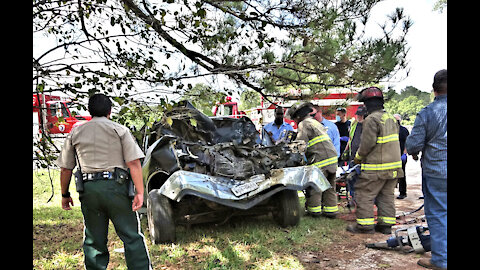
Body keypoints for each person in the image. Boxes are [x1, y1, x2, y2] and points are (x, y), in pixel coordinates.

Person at [56, 93, 152, 270]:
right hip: (117, 187)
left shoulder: (75, 132)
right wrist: (140, 192)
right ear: (110, 111)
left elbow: (65, 168)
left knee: (94, 240)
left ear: (89, 111)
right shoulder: (119, 130)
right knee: (131, 236)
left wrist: (64, 194)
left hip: (89, 189)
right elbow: (133, 162)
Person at [347, 87, 403, 234]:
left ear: (368, 104)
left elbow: (367, 145)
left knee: (364, 193)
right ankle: (385, 225)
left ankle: (365, 226)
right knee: (386, 195)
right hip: (394, 168)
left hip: (377, 167)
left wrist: (357, 159)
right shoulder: (390, 118)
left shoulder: (371, 119)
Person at [406, 69, 447, 270]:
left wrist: (415, 151)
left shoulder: (428, 112)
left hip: (437, 171)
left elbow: (413, 145)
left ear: (434, 89)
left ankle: (441, 260)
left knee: (439, 213)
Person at [287, 102, 339, 218]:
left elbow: (300, 144)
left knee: (315, 186)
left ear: (298, 116)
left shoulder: (303, 124)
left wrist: (288, 150)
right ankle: (331, 211)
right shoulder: (316, 123)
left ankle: (314, 211)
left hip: (320, 160)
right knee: (330, 186)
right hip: (332, 159)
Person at [341, 105, 367, 202]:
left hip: (364, 159)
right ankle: (353, 200)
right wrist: (346, 151)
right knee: (351, 179)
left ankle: (364, 201)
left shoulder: (369, 125)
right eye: (358, 115)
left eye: (361, 115)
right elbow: (351, 138)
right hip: (353, 158)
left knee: (363, 181)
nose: (359, 117)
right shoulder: (354, 124)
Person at [393, 114, 410, 200]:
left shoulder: (404, 130)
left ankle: (403, 192)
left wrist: (405, 153)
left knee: (402, 174)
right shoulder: (390, 130)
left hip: (401, 155)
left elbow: (407, 143)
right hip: (392, 155)